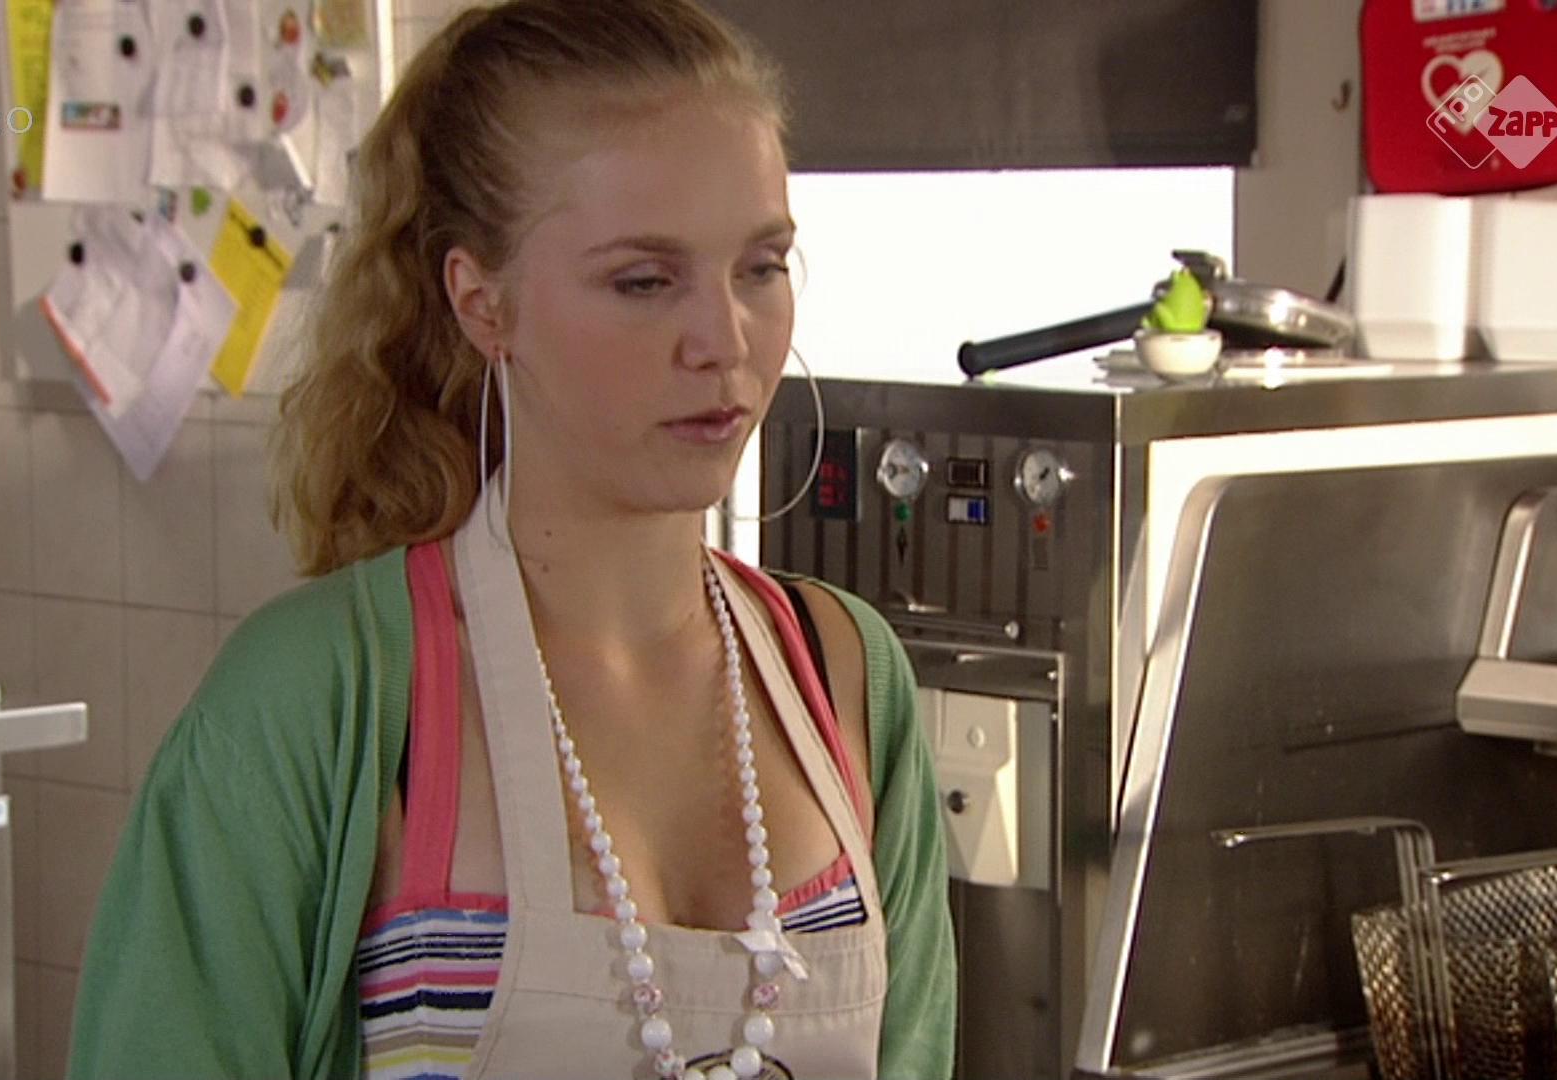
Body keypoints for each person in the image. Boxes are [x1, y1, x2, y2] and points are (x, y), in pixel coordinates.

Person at [65, 1, 956, 1077]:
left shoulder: (843, 676)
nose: (722, 341)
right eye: (643, 281)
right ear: (483, 303)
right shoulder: (317, 704)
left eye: (760, 267)